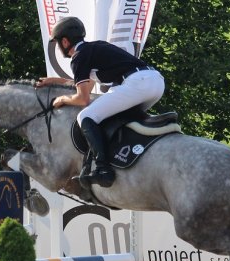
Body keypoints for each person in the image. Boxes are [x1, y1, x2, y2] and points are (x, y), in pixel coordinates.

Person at [36, 16, 165, 188]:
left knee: (85, 116)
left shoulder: (79, 57)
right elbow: (85, 84)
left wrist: (61, 99)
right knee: (115, 118)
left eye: (58, 42)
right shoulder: (93, 48)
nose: (59, 47)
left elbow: (83, 98)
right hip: (154, 82)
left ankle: (103, 169)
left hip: (137, 84)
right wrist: (55, 81)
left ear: (65, 41)